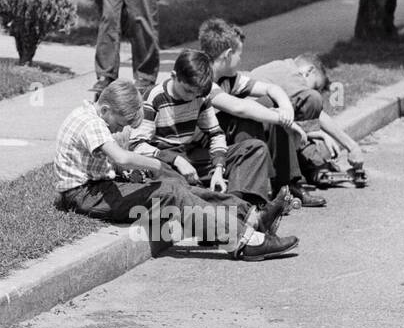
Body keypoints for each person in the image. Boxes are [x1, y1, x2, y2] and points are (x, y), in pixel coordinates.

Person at [54, 81, 294, 258]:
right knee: (170, 191)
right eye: (120, 122)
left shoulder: (90, 115)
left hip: (96, 188)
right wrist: (157, 164)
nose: (119, 129)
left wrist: (137, 172)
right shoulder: (92, 123)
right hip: (83, 195)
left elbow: (111, 162)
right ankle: (245, 240)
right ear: (106, 109)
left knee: (175, 186)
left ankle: (251, 216)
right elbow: (122, 157)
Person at [130, 50, 299, 258]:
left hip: (191, 155)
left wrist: (219, 168)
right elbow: (137, 145)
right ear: (174, 76)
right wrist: (175, 160)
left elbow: (215, 133)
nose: (192, 97)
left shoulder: (200, 95)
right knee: (178, 187)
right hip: (164, 160)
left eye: (197, 93)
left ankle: (241, 217)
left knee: (253, 148)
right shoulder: (154, 98)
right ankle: (250, 219)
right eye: (187, 91)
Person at [198, 19, 322, 207]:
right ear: (228, 54)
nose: (241, 60)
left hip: (220, 140)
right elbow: (239, 108)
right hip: (200, 150)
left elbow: (271, 88)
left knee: (267, 105)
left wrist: (285, 109)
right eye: (240, 55)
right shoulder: (202, 80)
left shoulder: (227, 78)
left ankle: (287, 186)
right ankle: (252, 194)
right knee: (252, 115)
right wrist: (286, 121)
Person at [248, 52, 365, 184]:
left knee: (302, 137)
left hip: (253, 126)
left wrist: (317, 133)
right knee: (309, 108)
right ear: (309, 71)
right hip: (253, 129)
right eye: (315, 86)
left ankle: (317, 171)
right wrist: (352, 146)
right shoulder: (291, 73)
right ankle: (309, 173)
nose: (312, 91)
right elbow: (316, 111)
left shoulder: (280, 69)